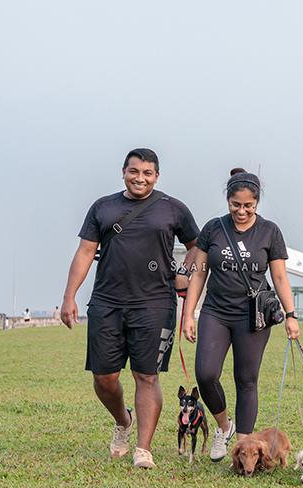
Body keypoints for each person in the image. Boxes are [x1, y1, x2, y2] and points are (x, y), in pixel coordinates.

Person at [60, 148, 199, 469]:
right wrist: (69, 296)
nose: (140, 178)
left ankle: (143, 450)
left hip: (155, 304)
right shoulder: (103, 207)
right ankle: (123, 421)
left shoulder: (173, 209)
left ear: (157, 176)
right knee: (103, 378)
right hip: (107, 303)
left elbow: (196, 247)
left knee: (146, 377)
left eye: (148, 173)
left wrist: (184, 273)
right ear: (123, 172)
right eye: (134, 171)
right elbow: (84, 252)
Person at [182, 169, 300, 463]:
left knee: (246, 379)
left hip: (254, 317)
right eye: (236, 205)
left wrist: (291, 315)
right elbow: (197, 275)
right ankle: (225, 427)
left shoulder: (270, 231)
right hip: (216, 311)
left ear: (257, 203)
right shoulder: (214, 228)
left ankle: (246, 448)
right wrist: (188, 314)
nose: (242, 211)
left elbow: (280, 277)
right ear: (228, 200)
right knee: (206, 374)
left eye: (249, 206)